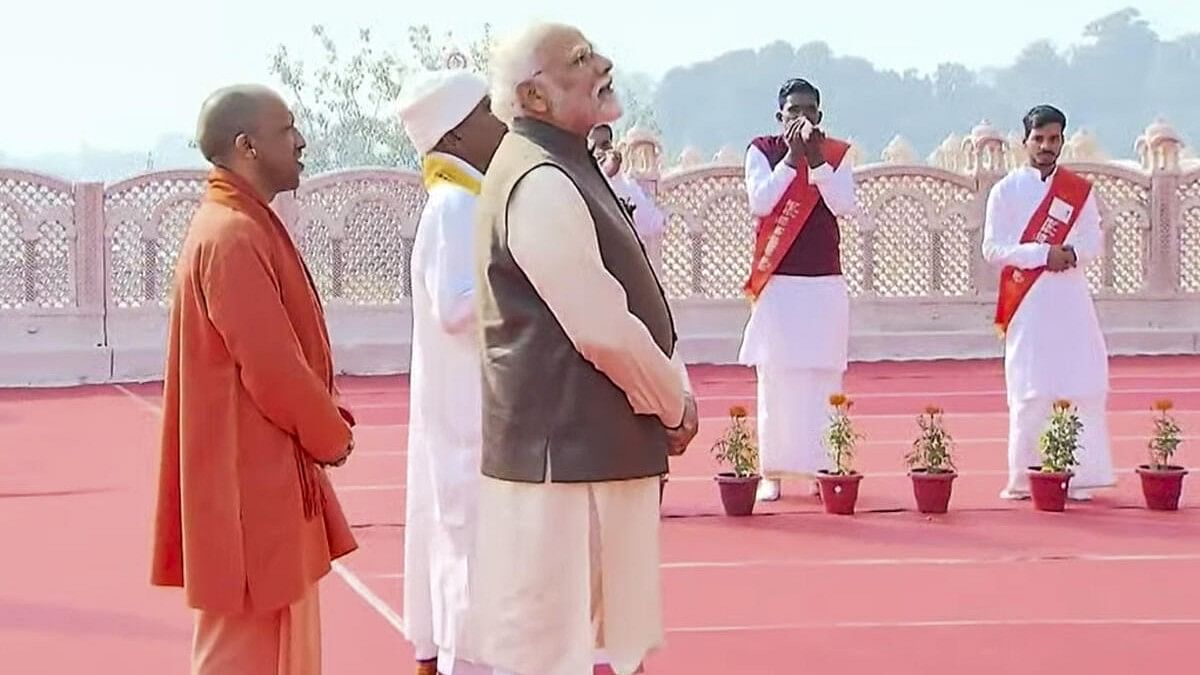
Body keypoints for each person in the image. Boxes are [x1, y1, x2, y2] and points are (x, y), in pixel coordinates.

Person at [465, 22, 699, 675]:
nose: (603, 62)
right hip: (564, 464)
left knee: (599, 645)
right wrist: (671, 399)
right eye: (580, 59)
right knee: (551, 650)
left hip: (589, 458)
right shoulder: (538, 178)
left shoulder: (564, 163)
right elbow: (598, 325)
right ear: (535, 97)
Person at [151, 84, 357, 675]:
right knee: (244, 649)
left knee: (273, 643)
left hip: (259, 474)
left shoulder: (240, 223)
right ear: (246, 146)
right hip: (247, 486)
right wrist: (330, 436)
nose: (301, 141)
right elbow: (273, 368)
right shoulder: (231, 235)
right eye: (286, 129)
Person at [395, 68, 507, 675]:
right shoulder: (456, 204)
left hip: (472, 406)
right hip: (470, 413)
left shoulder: (467, 199)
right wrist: (534, 285)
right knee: (471, 546)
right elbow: (457, 307)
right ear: (457, 136)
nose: (500, 121)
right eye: (488, 110)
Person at [982, 104, 1115, 501]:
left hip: (1070, 298)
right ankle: (1023, 478)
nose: (1046, 146)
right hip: (1029, 301)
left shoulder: (1078, 191)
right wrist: (1043, 255)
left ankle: (1080, 475)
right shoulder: (1005, 191)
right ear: (1024, 142)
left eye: (1053, 139)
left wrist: (1070, 254)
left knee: (1080, 379)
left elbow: (1094, 240)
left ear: (1062, 141)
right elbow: (993, 248)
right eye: (1038, 139)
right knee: (1030, 386)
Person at [737, 77, 859, 502]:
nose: (801, 118)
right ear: (780, 117)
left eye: (809, 110)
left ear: (820, 115)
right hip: (780, 282)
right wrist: (791, 159)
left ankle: (819, 466)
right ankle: (773, 471)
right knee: (776, 378)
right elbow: (761, 202)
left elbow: (845, 204)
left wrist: (816, 161)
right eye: (793, 112)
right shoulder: (762, 150)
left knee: (822, 377)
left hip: (823, 281)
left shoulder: (836, 153)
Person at [588, 123, 666, 246]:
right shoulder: (577, 186)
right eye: (593, 147)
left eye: (605, 145)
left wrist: (614, 178)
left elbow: (654, 223)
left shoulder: (626, 185)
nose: (599, 152)